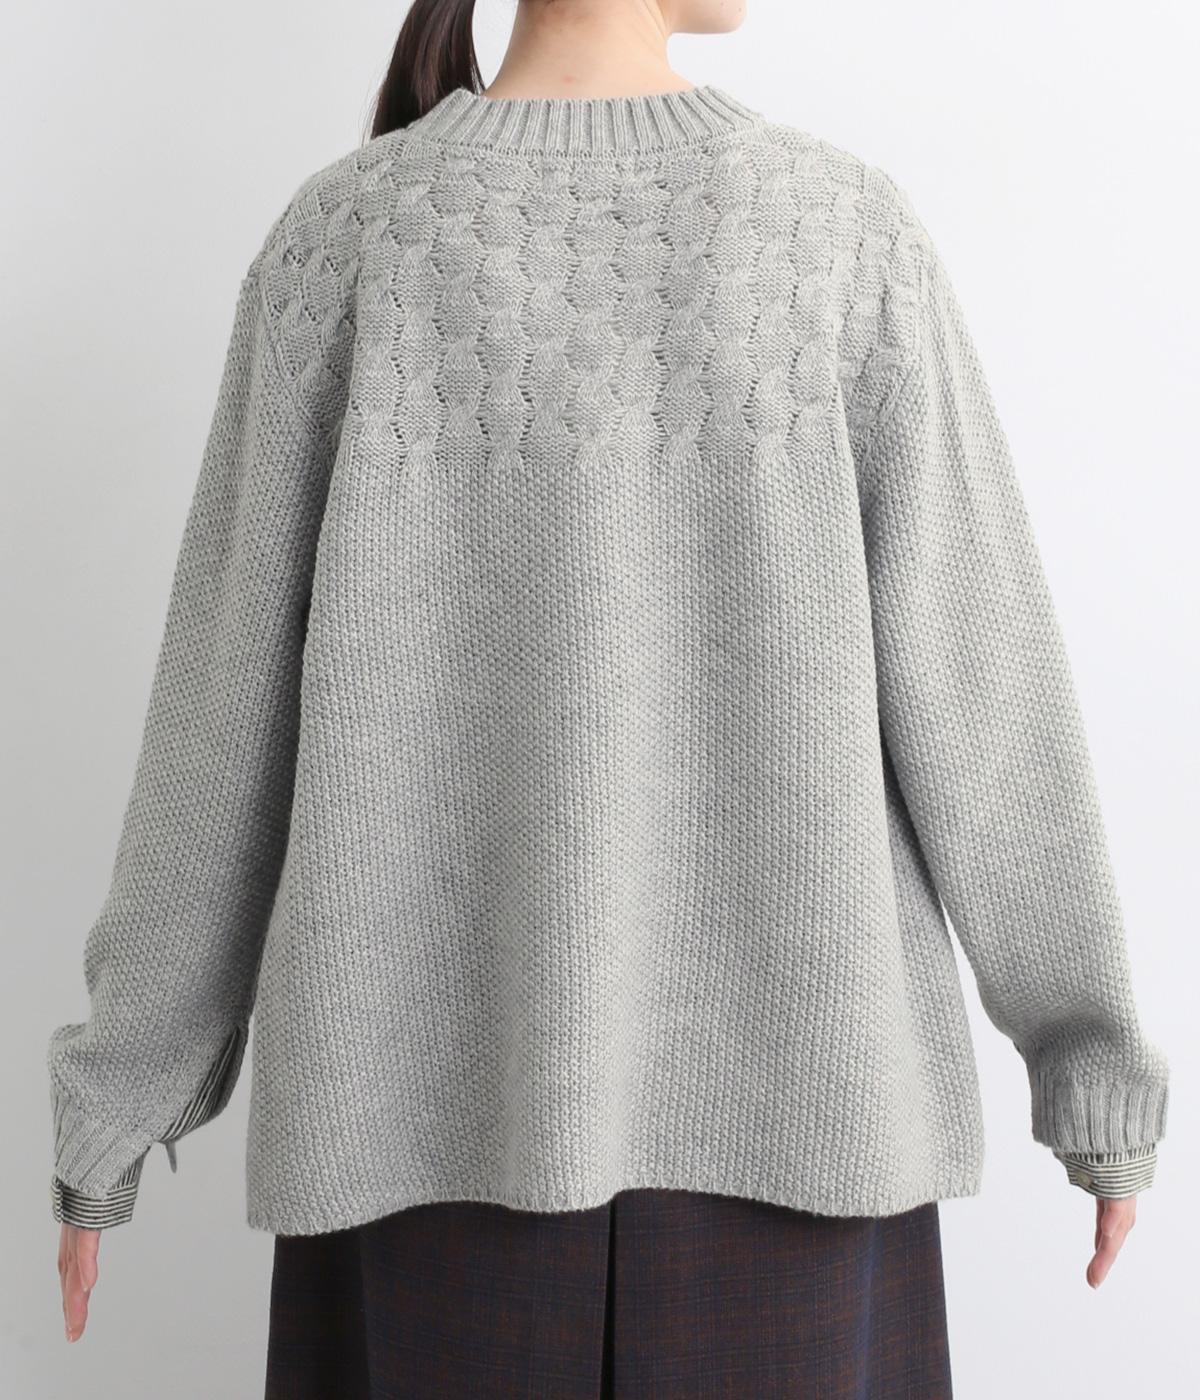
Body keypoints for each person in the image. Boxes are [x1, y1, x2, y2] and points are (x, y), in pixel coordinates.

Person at [50, 0, 1169, 1393]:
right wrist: (1091, 1067)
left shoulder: (346, 239)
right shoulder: (838, 232)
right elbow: (987, 688)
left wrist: (119, 1101)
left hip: (419, 1144)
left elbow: (218, 720)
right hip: (798, 1145)